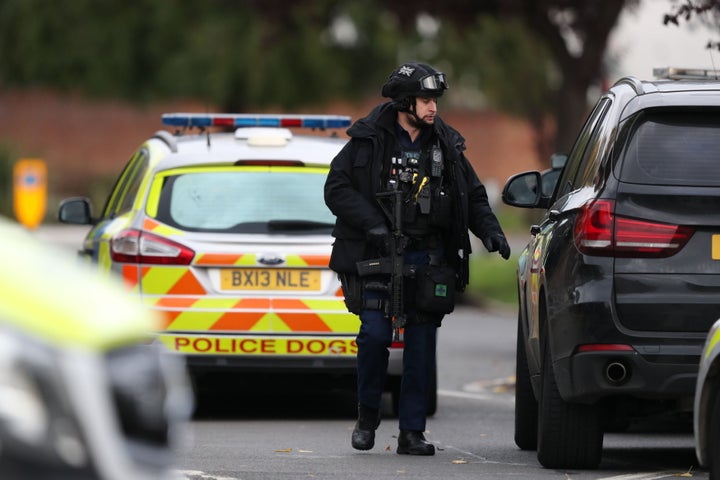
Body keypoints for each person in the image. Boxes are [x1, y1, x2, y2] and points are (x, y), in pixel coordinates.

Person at [324, 62, 510, 456]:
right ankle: (367, 416)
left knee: (422, 345)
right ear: (405, 101)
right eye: (426, 100)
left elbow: (473, 194)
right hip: (379, 256)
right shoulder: (368, 139)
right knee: (374, 335)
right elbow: (336, 188)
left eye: (435, 101)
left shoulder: (445, 144)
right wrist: (372, 224)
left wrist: (490, 231)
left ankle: (412, 432)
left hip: (429, 258)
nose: (433, 108)